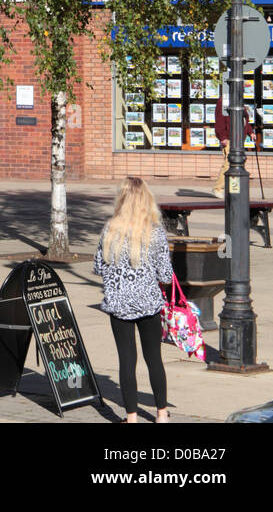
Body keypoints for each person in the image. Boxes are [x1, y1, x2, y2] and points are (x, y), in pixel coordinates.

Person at [93, 177, 174, 423]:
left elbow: (99, 266)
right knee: (154, 359)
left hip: (119, 305)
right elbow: (166, 276)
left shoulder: (110, 229)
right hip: (148, 304)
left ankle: (131, 418)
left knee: (127, 361)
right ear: (146, 200)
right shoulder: (156, 232)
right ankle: (161, 414)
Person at [213, 95, 254, 197]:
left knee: (239, 164)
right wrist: (222, 137)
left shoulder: (238, 100)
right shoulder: (223, 101)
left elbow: (244, 120)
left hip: (239, 139)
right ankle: (218, 188)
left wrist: (250, 132)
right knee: (229, 164)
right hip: (229, 139)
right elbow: (219, 121)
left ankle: (233, 189)